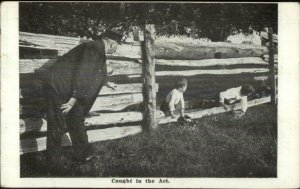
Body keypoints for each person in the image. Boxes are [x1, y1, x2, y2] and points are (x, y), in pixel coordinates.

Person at [40, 30, 123, 163]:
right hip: (58, 87)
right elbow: (82, 73)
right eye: (118, 45)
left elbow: (93, 71)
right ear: (113, 44)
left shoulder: (96, 48)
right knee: (57, 121)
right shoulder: (94, 48)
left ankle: (84, 155)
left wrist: (106, 82)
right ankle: (52, 160)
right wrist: (73, 99)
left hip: (69, 87)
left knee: (76, 118)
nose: (117, 48)